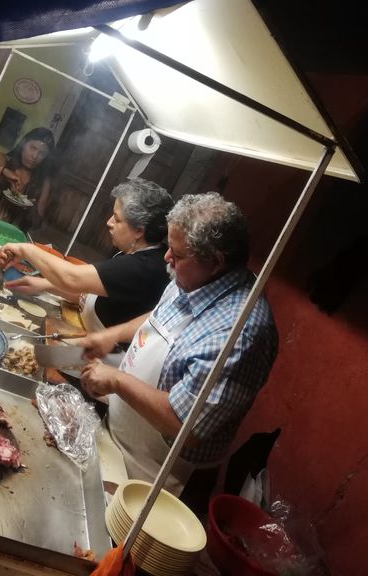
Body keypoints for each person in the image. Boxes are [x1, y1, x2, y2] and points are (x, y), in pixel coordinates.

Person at [78, 192, 278, 500]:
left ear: (215, 262)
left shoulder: (239, 334)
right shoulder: (194, 277)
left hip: (161, 474)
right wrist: (112, 334)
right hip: (120, 438)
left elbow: (186, 425)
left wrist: (116, 380)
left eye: (177, 253)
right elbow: (163, 315)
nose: (166, 258)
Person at [0, 178, 174, 330]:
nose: (109, 222)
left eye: (117, 219)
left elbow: (71, 278)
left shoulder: (144, 266)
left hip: (107, 360)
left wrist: (26, 249)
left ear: (139, 231)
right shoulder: (135, 254)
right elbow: (91, 294)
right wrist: (43, 284)